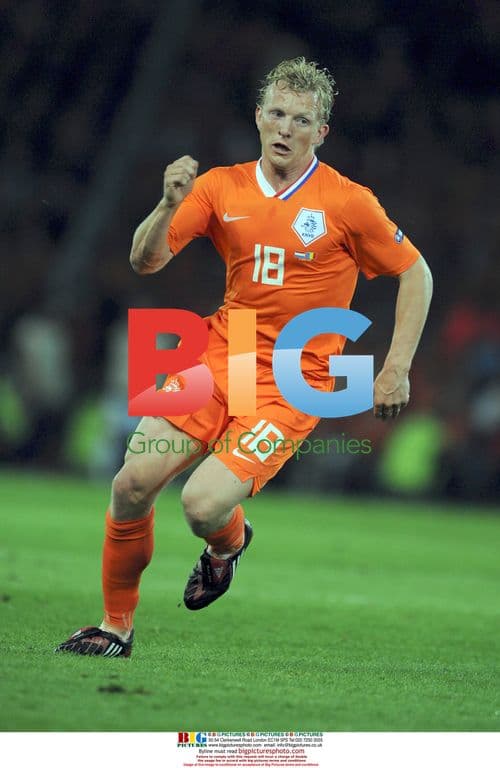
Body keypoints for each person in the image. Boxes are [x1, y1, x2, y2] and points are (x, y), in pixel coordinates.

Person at [56, 57, 432, 657]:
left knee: (201, 507)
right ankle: (115, 628)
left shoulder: (348, 203)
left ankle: (227, 545)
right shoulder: (220, 187)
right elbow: (145, 262)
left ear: (321, 132)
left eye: (300, 120)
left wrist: (395, 367)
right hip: (218, 355)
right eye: (276, 114)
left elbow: (416, 272)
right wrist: (164, 205)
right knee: (131, 483)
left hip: (291, 381)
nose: (285, 128)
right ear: (258, 117)